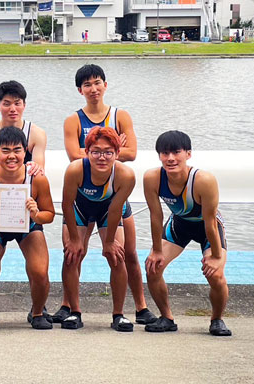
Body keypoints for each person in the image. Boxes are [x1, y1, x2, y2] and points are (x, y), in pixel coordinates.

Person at [55, 64, 157, 326]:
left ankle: (139, 307)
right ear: (80, 90)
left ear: (105, 85)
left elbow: (132, 152)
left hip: (113, 195)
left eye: (97, 82)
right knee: (73, 252)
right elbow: (73, 156)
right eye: (87, 85)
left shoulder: (120, 115)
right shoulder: (74, 120)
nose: (93, 88)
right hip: (82, 199)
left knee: (126, 253)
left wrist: (98, 152)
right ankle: (70, 306)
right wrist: (111, 149)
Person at [143, 130, 232, 336]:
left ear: (188, 154)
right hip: (179, 224)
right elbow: (156, 216)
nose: (171, 158)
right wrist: (157, 251)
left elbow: (210, 222)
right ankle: (167, 318)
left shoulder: (204, 180)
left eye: (176, 152)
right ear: (159, 156)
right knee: (153, 267)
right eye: (165, 153)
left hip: (207, 228)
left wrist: (217, 257)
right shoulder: (152, 178)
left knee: (216, 275)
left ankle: (217, 319)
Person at [0, 127, 55, 330]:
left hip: (29, 225)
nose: (12, 156)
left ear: (25, 152)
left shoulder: (37, 178)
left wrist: (36, 214)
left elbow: (49, 215)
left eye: (17, 150)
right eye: (5, 151)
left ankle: (38, 311)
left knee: (40, 271)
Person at [60, 127, 136, 331]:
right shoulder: (76, 170)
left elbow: (115, 210)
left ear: (117, 154)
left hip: (107, 210)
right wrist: (75, 239)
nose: (102, 157)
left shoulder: (125, 175)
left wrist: (109, 242)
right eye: (96, 151)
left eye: (108, 152)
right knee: (71, 255)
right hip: (79, 209)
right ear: (87, 152)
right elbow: (67, 204)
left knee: (117, 256)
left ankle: (118, 314)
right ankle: (74, 312)